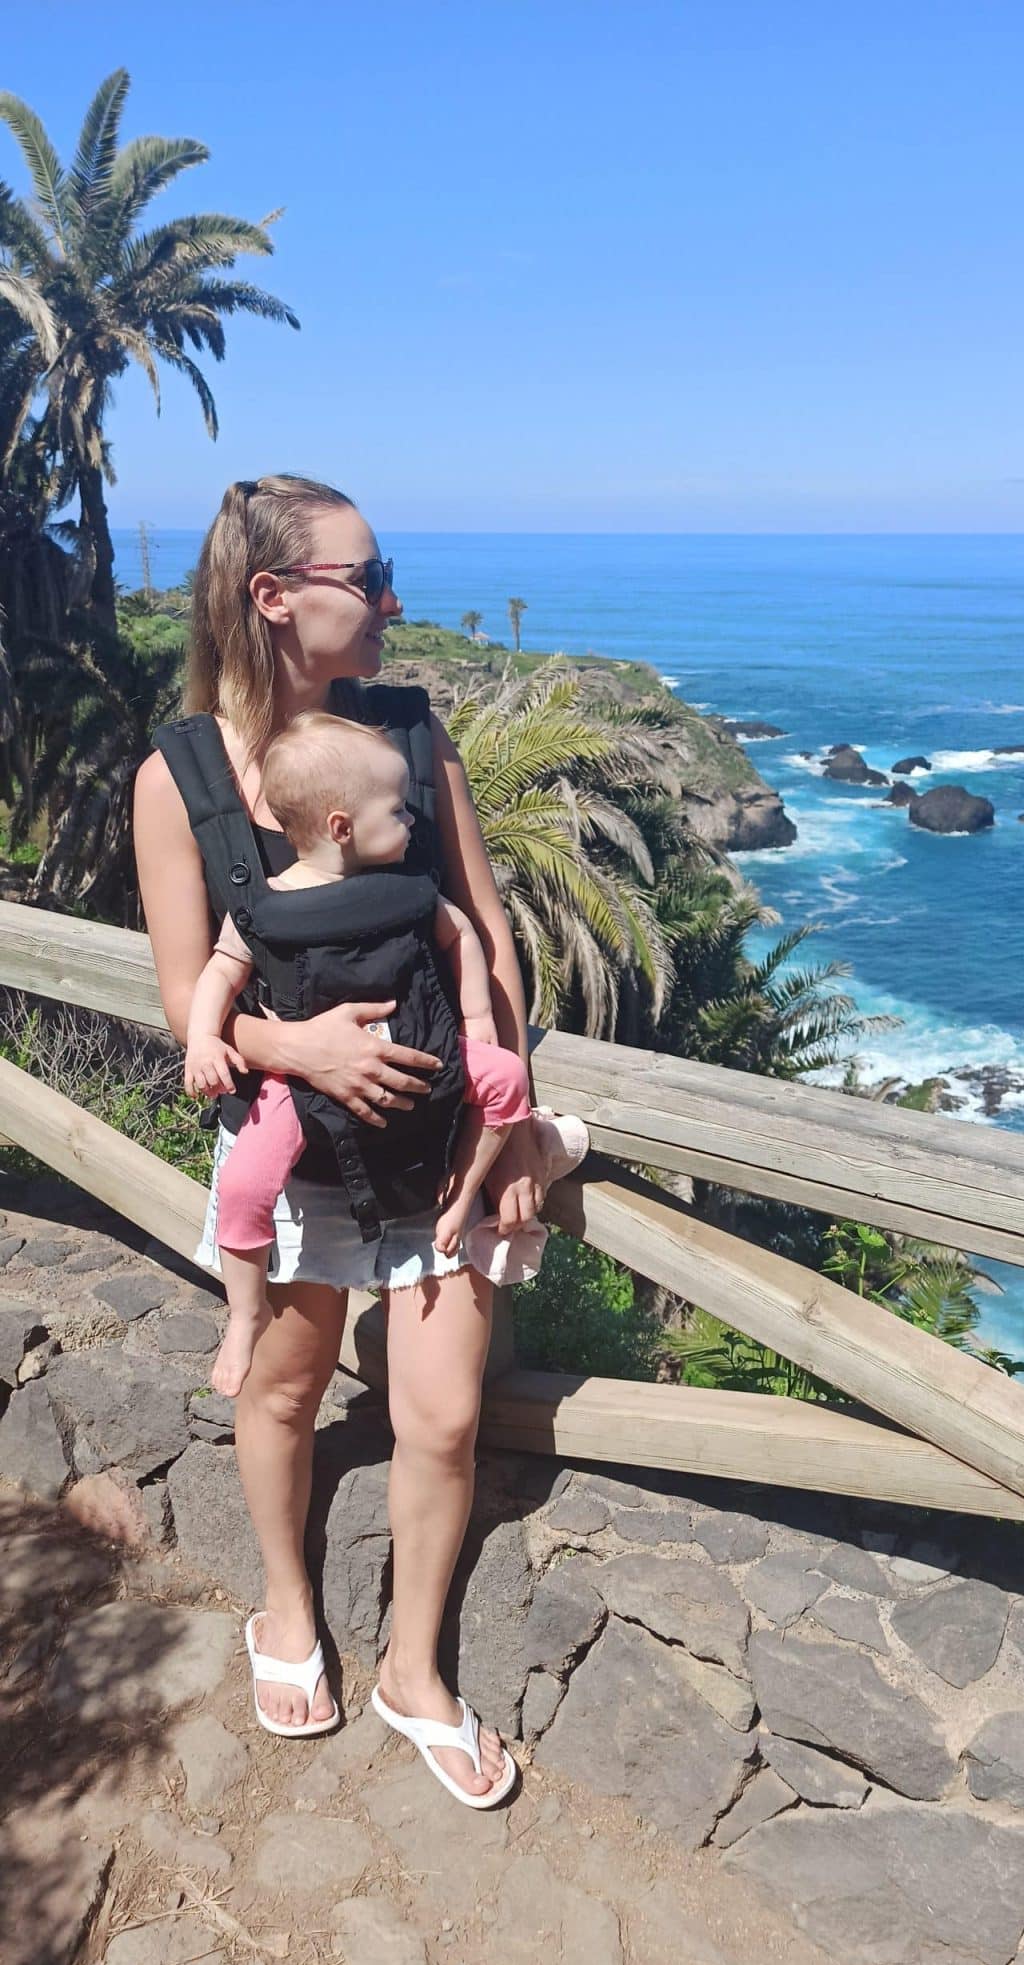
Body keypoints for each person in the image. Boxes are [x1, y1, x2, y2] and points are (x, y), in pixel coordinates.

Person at [134, 474, 547, 1806]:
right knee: (282, 1387)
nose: (390, 600)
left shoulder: (409, 739)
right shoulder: (179, 778)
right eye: (367, 578)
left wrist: (507, 1124)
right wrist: (300, 1048)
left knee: (441, 1415)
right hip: (293, 1152)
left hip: (437, 1154)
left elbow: (484, 935)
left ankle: (413, 1670)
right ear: (272, 596)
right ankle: (287, 1603)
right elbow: (187, 994)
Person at [179, 709, 534, 1401]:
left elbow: (463, 934)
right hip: (300, 1083)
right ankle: (245, 1313)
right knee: (245, 1186)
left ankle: (461, 1199)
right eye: (396, 811)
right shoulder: (266, 908)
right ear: (342, 826)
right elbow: (218, 973)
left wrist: (476, 1019)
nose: (410, 823)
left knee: (509, 1080)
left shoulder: (407, 892)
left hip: (424, 1049)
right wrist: (203, 1040)